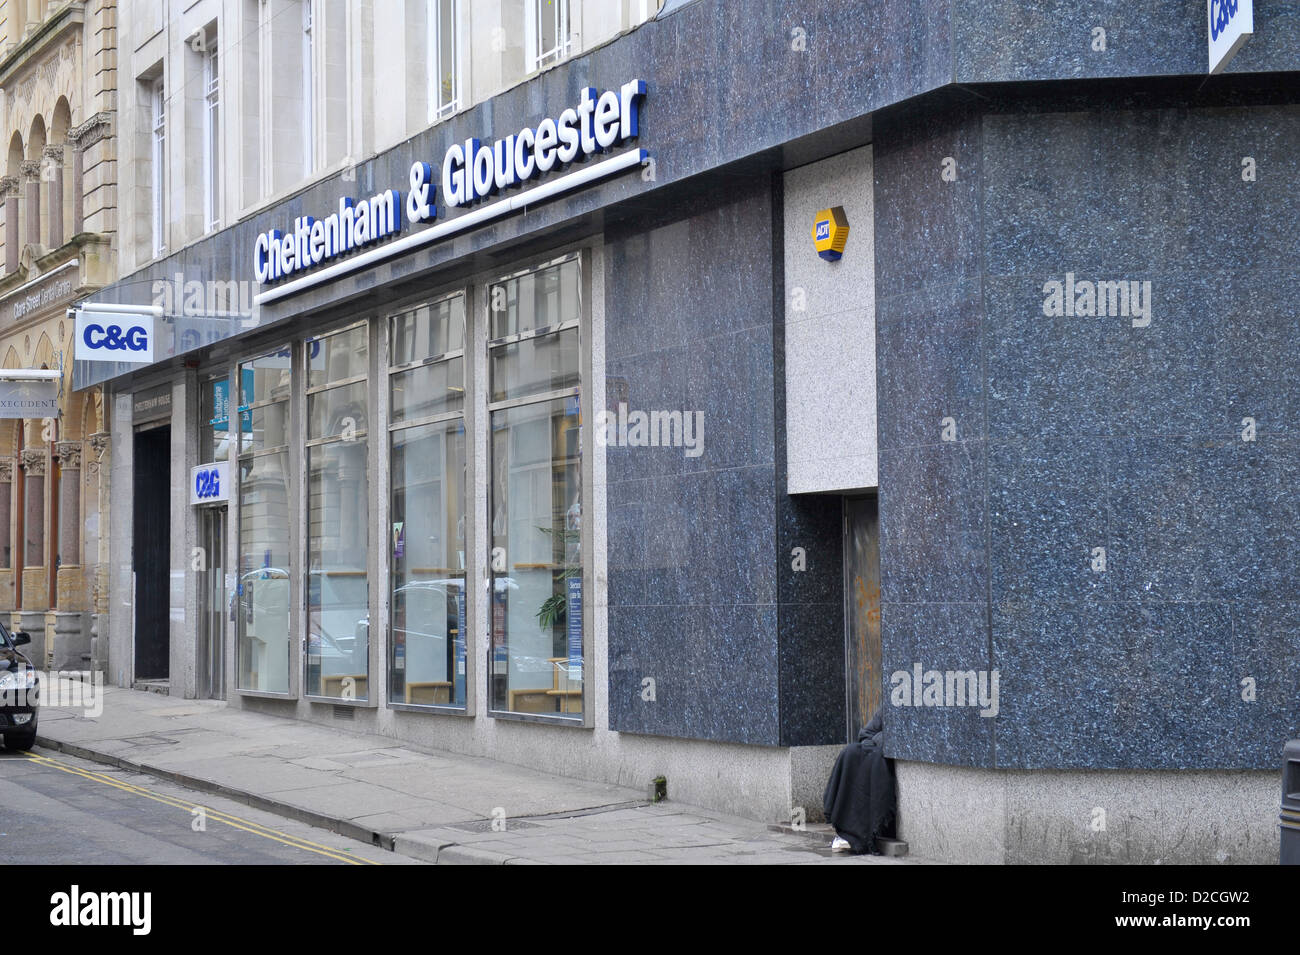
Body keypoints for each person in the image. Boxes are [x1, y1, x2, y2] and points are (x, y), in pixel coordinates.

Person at [822, 706, 896, 854]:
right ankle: (846, 831)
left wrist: (878, 739)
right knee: (850, 752)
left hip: (889, 760)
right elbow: (866, 733)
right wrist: (879, 738)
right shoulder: (888, 707)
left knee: (874, 760)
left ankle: (867, 832)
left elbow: (900, 739)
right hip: (875, 750)